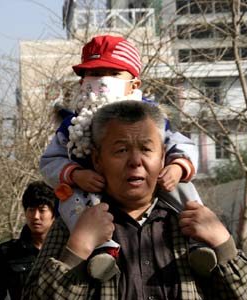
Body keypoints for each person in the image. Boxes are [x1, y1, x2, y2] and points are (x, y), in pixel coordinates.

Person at [24, 100, 247, 299]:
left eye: (147, 149)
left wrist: (223, 245)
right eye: (121, 150)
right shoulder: (74, 223)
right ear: (97, 160)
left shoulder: (193, 222)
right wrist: (78, 249)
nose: (135, 161)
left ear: (162, 159)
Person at [39, 34, 214, 282]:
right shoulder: (73, 124)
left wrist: (177, 167)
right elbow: (49, 162)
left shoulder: (151, 118)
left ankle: (200, 243)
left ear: (134, 84)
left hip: (154, 187)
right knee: (71, 201)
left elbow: (182, 145)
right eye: (94, 72)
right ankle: (102, 251)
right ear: (81, 82)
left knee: (185, 189)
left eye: (112, 72)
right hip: (89, 194)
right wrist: (75, 174)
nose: (101, 79)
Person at [0, 181, 56, 300]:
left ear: (54, 214)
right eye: (31, 209)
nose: (35, 216)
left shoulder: (66, 249)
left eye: (42, 210)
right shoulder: (9, 251)